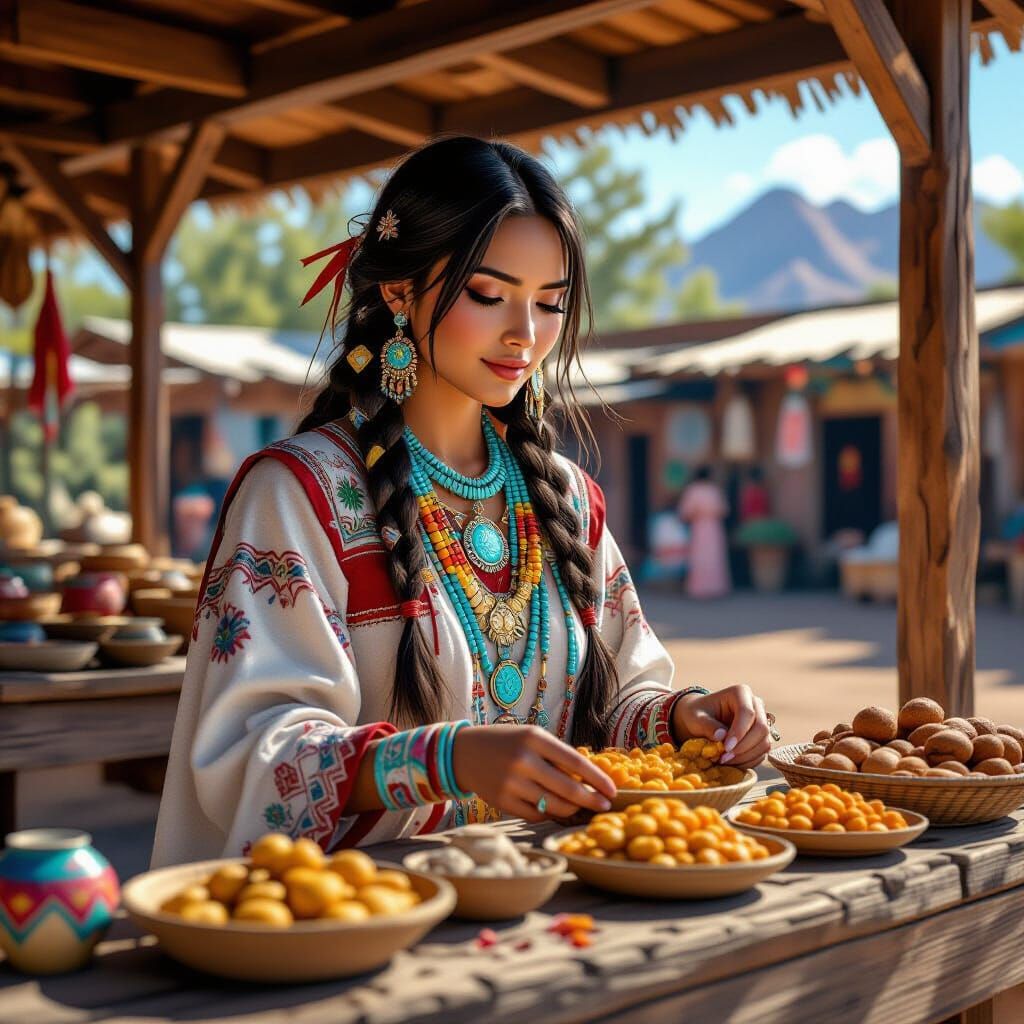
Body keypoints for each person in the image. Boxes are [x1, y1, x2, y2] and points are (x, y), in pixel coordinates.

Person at [151, 135, 772, 867]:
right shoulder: (300, 495)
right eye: (488, 294)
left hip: (553, 908)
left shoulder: (566, 499)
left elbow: (613, 704)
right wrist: (447, 760)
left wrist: (680, 718)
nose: (527, 335)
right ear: (398, 289)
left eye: (550, 303)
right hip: (365, 921)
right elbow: (250, 750)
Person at [678, 465, 731, 599]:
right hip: (713, 527)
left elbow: (685, 512)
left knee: (699, 557)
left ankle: (699, 589)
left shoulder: (692, 490)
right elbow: (724, 510)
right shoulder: (714, 490)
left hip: (699, 527)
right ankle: (716, 587)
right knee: (714, 557)